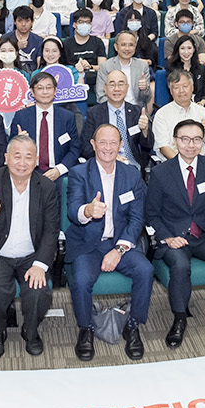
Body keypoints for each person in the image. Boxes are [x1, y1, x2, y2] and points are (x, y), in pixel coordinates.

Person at [143, 118, 205, 348]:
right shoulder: (161, 172)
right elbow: (151, 214)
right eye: (185, 139)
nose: (191, 145)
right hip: (174, 235)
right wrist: (167, 237)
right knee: (180, 266)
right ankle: (179, 318)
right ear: (175, 141)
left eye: (197, 139)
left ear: (202, 141)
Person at [0, 136, 60, 358]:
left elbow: (51, 230)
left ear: (36, 160)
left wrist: (40, 265)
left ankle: (30, 330)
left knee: (38, 290)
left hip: (31, 254)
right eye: (17, 156)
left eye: (28, 157)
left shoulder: (47, 187)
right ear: (6, 157)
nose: (22, 162)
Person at [65, 123, 151, 360]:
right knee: (81, 280)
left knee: (145, 270)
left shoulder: (131, 174)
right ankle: (86, 328)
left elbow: (137, 218)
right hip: (88, 244)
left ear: (121, 145)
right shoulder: (79, 173)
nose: (108, 147)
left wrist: (119, 250)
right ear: (93, 144)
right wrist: (87, 210)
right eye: (102, 142)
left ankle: (133, 325)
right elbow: (73, 210)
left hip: (120, 242)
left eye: (113, 142)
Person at [9, 71, 81, 179]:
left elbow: (75, 148)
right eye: (40, 88)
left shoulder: (67, 117)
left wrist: (59, 170)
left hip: (58, 170)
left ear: (55, 91)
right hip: (29, 171)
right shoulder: (21, 116)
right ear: (32, 92)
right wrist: (18, 141)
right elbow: (10, 149)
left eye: (49, 88)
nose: (45, 92)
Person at [79, 69, 151, 167]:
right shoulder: (94, 113)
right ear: (105, 88)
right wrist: (109, 156)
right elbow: (85, 147)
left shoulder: (137, 112)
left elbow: (148, 145)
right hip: (104, 164)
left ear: (127, 87)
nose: (117, 89)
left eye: (121, 84)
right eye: (112, 85)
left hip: (131, 165)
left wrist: (145, 130)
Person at [151, 69, 205, 161]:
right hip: (173, 164)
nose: (181, 91)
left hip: (200, 163)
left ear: (192, 88)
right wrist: (184, 165)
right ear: (171, 91)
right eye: (176, 88)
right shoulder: (161, 115)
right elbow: (164, 148)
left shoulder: (203, 112)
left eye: (185, 86)